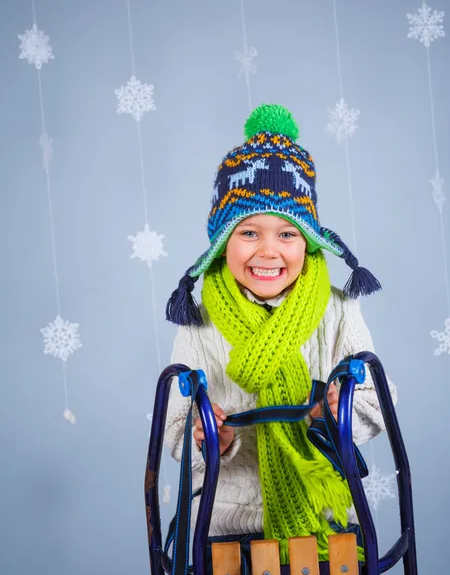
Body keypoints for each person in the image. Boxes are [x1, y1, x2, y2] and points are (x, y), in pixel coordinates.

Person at [164, 104, 397, 566]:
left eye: (287, 234)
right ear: (222, 244)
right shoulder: (200, 322)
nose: (269, 250)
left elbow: (378, 400)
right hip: (226, 527)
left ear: (308, 241)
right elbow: (173, 428)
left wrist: (341, 410)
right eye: (249, 232)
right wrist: (203, 435)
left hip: (323, 517)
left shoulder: (337, 309)